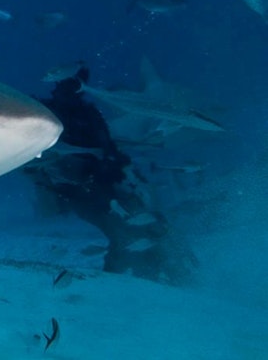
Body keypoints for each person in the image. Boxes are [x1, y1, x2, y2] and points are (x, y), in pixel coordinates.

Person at [24, 66, 197, 285]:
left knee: (148, 220)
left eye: (73, 85)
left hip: (107, 181)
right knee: (121, 232)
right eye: (65, 84)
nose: (68, 90)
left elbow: (109, 148)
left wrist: (119, 169)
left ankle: (172, 273)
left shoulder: (89, 114)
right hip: (74, 189)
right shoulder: (44, 113)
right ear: (57, 85)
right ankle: (117, 281)